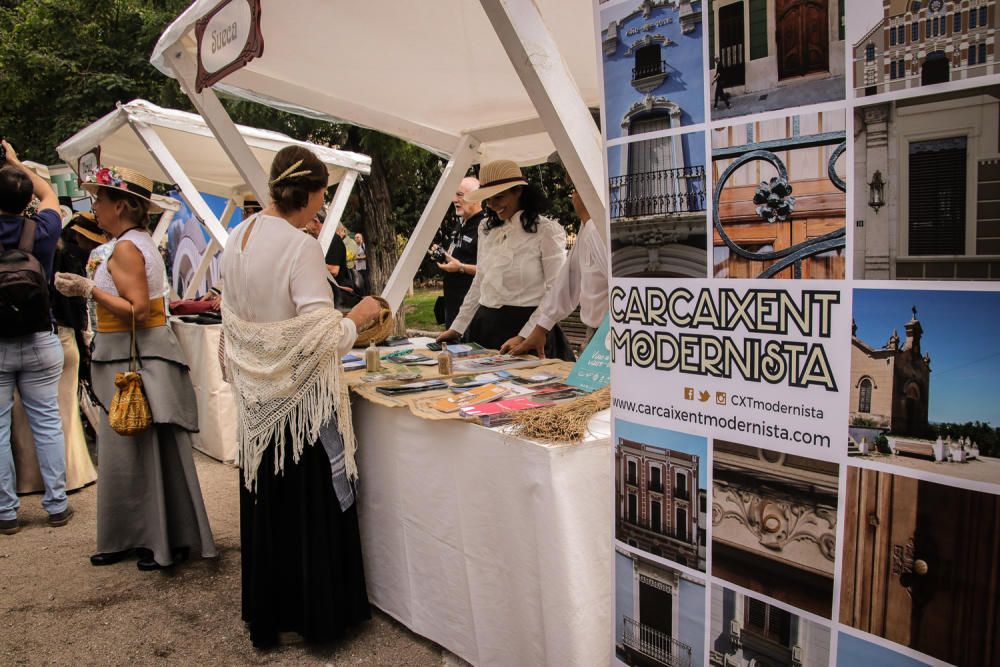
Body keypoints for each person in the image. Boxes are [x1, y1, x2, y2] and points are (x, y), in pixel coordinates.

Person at [219, 145, 381, 648]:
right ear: (309, 192)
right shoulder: (300, 246)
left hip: (257, 402)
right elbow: (319, 338)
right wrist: (358, 317)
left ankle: (270, 617)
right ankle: (318, 618)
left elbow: (240, 325)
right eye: (324, 193)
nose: (323, 203)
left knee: (269, 508)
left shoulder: (236, 237)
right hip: (298, 406)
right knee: (305, 513)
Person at [54, 165, 216, 570]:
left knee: (134, 449)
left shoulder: (126, 247)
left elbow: (137, 309)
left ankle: (152, 539)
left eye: (100, 200)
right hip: (138, 355)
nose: (95, 207)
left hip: (134, 357)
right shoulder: (135, 242)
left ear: (122, 205)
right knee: (146, 450)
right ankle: (161, 538)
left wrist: (88, 289)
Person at [0, 140, 73, 535]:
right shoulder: (43, 229)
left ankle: (6, 513)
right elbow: (46, 192)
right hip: (40, 337)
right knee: (47, 422)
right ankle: (57, 505)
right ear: (25, 196)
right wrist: (14, 160)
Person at [436, 160, 575, 361]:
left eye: (499, 197)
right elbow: (480, 282)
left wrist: (527, 334)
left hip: (529, 329)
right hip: (484, 328)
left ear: (518, 191)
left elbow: (556, 290)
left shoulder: (547, 230)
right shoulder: (485, 228)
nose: (492, 205)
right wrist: (457, 327)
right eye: (488, 199)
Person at [510, 188, 609, 357]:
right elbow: (571, 276)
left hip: (616, 334)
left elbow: (615, 272)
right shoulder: (587, 225)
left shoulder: (599, 220)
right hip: (594, 333)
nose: (573, 195)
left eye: (576, 188)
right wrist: (540, 328)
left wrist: (588, 217)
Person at [432, 176, 483, 328]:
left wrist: (460, 267)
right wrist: (441, 254)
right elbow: (455, 256)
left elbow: (490, 269)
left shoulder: (484, 227)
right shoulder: (460, 224)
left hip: (472, 307)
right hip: (452, 304)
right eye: (454, 195)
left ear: (476, 198)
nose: (454, 199)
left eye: (460, 195)